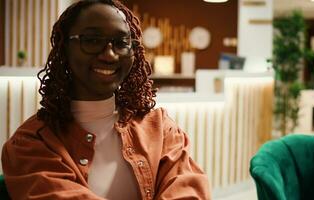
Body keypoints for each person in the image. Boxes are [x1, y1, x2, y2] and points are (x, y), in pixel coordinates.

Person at [1, 0, 210, 199]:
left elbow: (189, 190)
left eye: (121, 42)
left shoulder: (161, 129)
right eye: (91, 40)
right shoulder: (31, 143)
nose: (109, 54)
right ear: (64, 48)